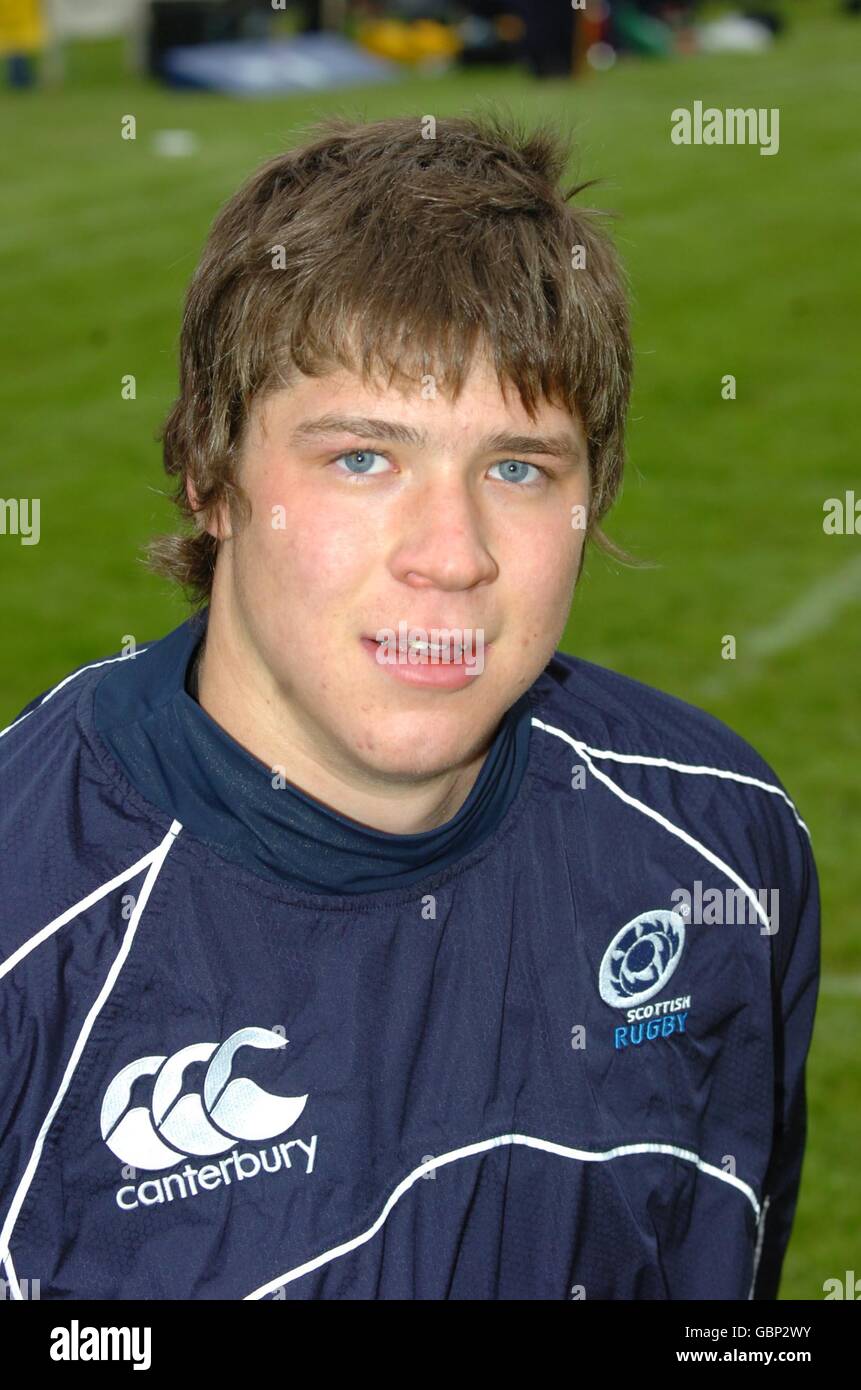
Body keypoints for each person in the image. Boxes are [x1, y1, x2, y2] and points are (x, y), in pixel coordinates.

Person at [0, 113, 819, 1300]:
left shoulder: (722, 849)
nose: (453, 554)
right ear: (210, 474)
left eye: (519, 468)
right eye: (363, 458)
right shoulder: (32, 918)